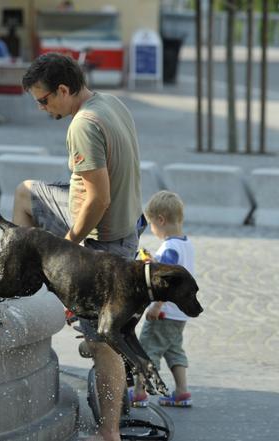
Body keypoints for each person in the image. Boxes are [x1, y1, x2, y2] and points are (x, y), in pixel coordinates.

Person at [15, 52, 143, 441]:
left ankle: (109, 433)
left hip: (102, 242)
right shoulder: (110, 103)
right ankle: (27, 281)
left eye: (43, 100)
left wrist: (69, 246)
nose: (41, 108)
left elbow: (99, 199)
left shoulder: (83, 125)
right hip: (124, 226)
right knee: (25, 194)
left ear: (64, 90)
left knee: (101, 342)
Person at [129, 191, 195, 409]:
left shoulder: (170, 247)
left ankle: (139, 393)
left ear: (160, 220)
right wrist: (155, 260)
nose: (152, 229)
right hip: (179, 314)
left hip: (164, 311)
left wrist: (156, 306)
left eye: (151, 224)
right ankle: (182, 392)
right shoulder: (185, 244)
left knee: (148, 349)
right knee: (174, 349)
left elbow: (166, 281)